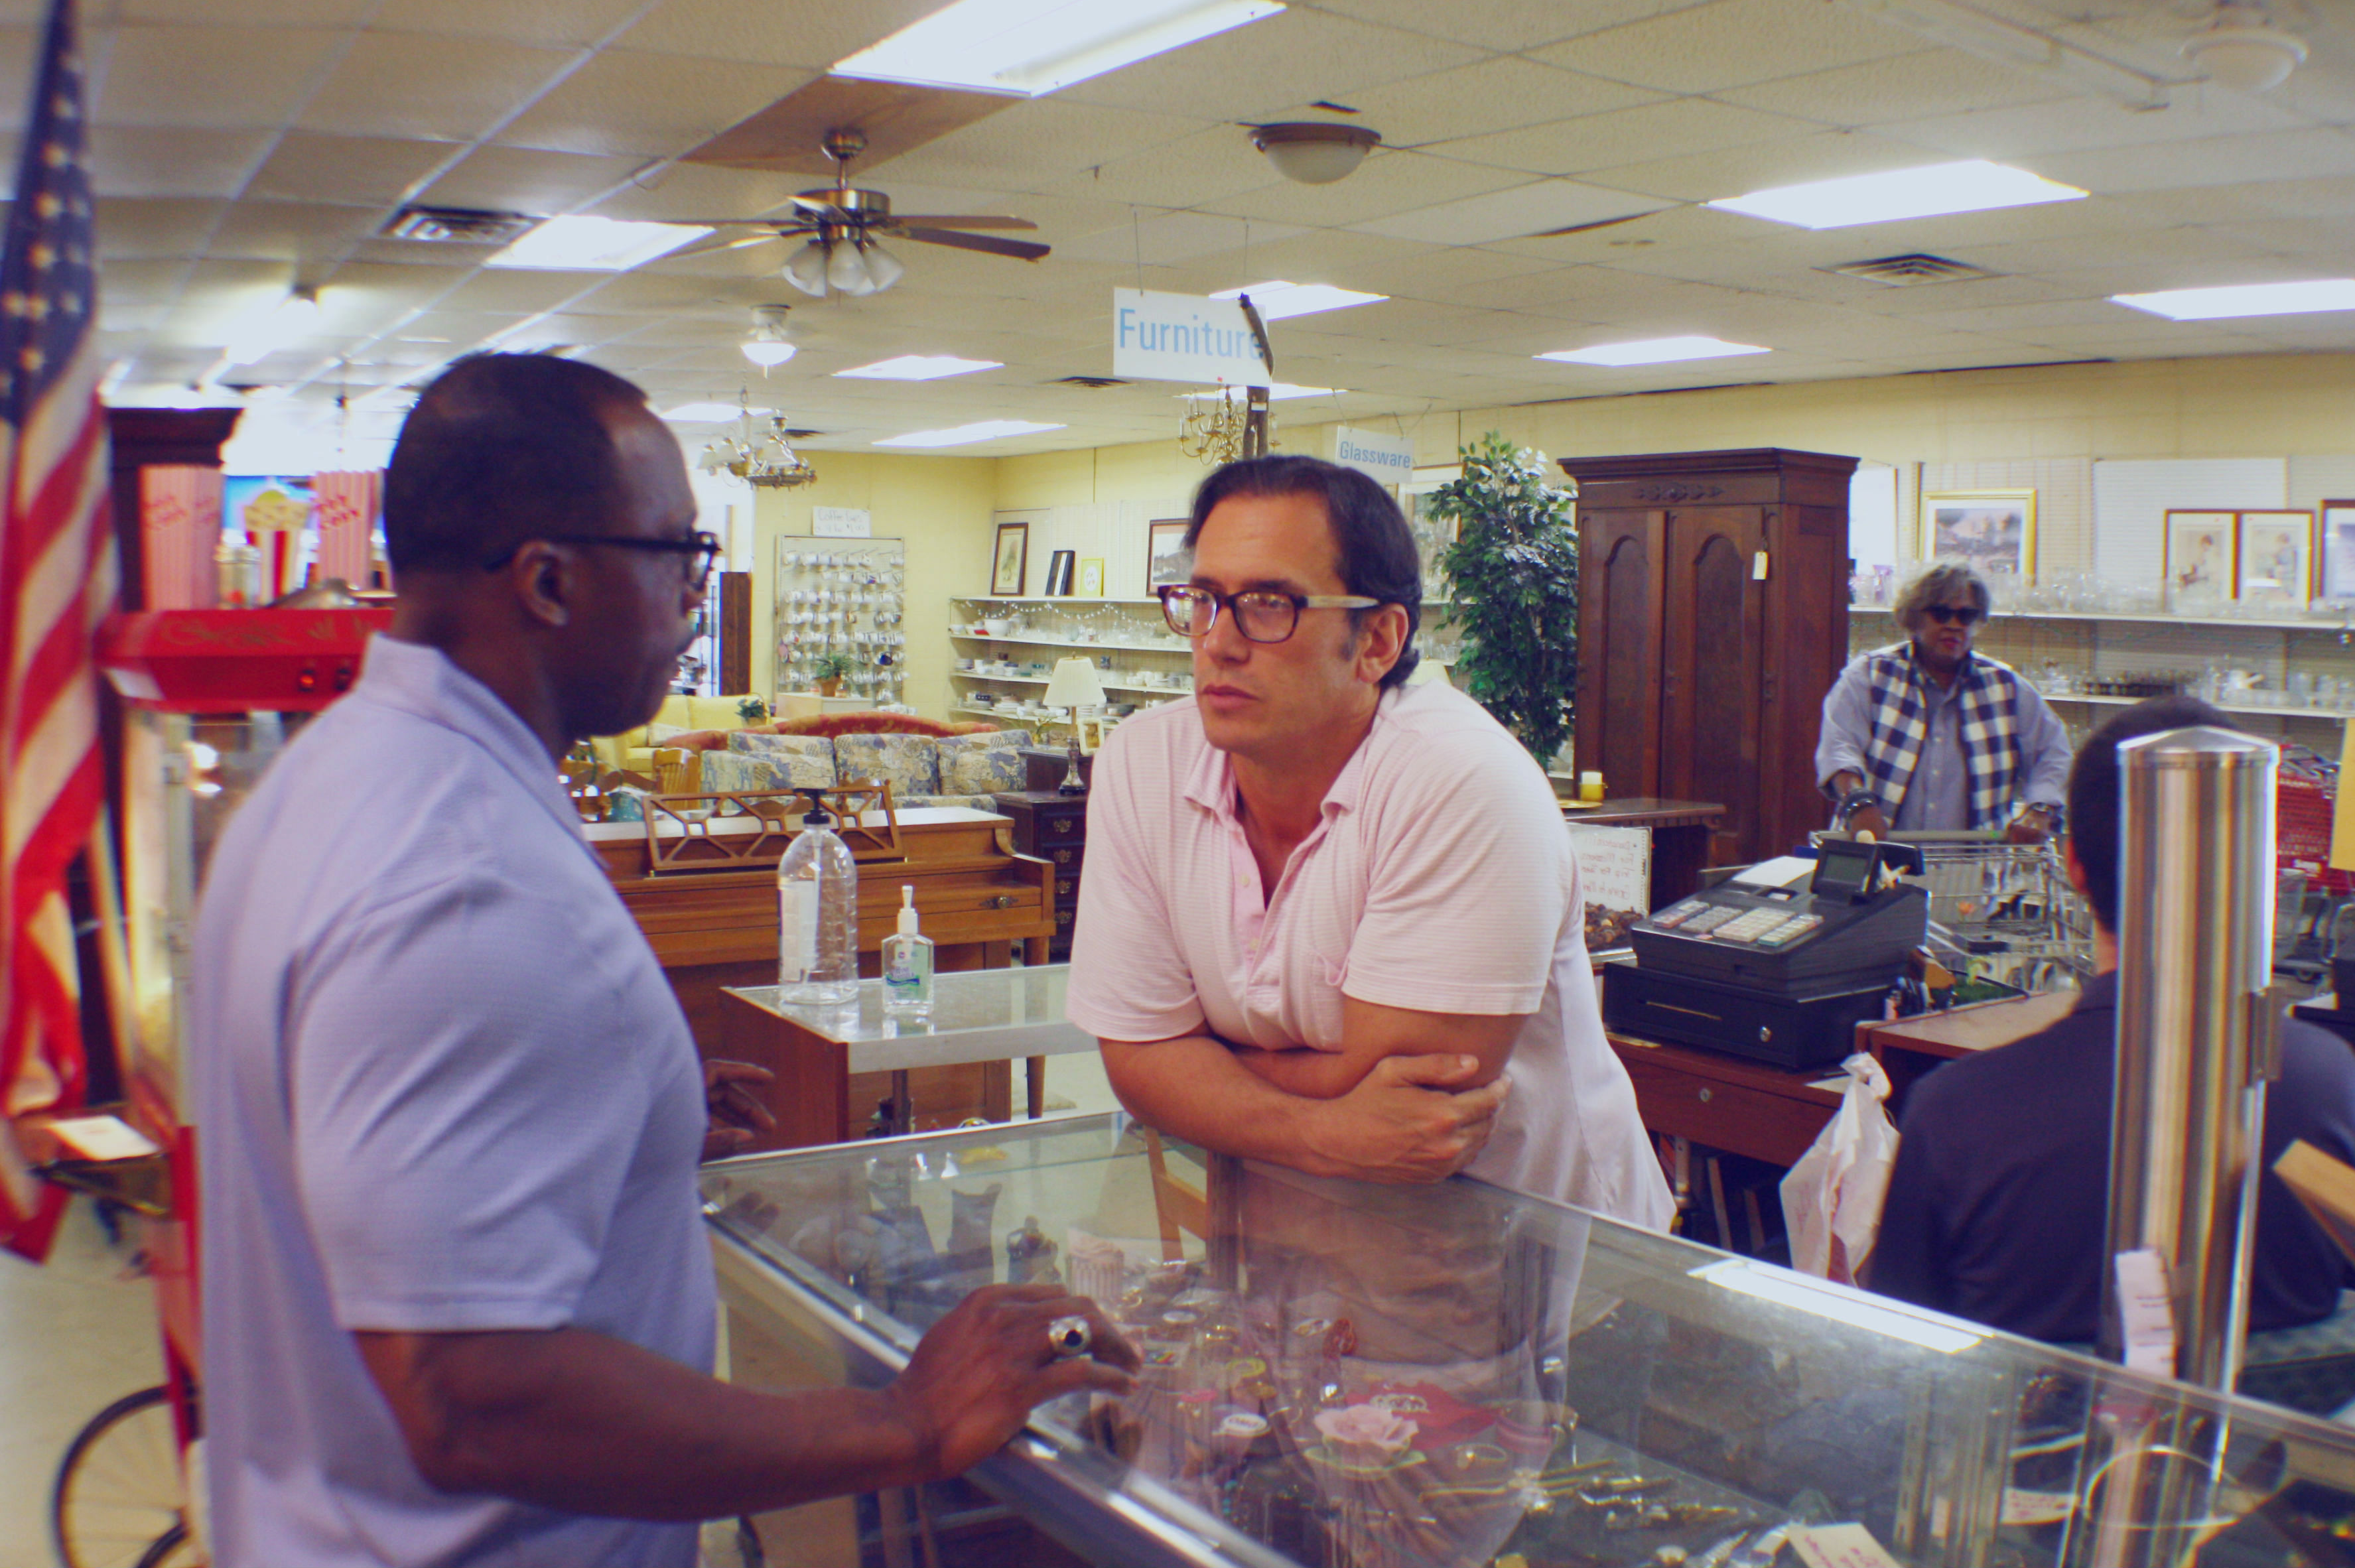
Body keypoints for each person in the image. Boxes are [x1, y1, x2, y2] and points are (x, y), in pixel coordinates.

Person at [190, 354, 1133, 1566]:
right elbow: (471, 1394)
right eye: (678, 554)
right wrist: (898, 1422)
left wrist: (617, 1134)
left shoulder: (326, 786)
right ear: (547, 581)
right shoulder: (467, 884)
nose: (696, 600)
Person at [1065, 454, 1675, 1231]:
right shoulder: (1141, 763)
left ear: (1378, 641)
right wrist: (1317, 1128)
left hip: (1542, 1266)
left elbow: (1418, 1105)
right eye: (1203, 599)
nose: (1217, 642)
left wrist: (1199, 1061)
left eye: (1266, 604)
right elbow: (1138, 1067)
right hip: (1304, 1249)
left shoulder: (1461, 781)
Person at [1864, 695, 2355, 1344]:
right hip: (2261, 1447)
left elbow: (1899, 1354)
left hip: (2022, 1443)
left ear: (2072, 864)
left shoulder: (1955, 1112)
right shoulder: (2329, 1082)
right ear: (2256, 862)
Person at [1817, 560, 2072, 843]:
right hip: (1879, 860)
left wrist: (2040, 809)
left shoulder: (2007, 687)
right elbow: (1839, 747)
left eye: (1966, 616)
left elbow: (2053, 753)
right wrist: (1859, 802)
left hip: (1972, 872)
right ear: (1914, 618)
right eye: (1941, 614)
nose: (1954, 625)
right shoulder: (1869, 676)